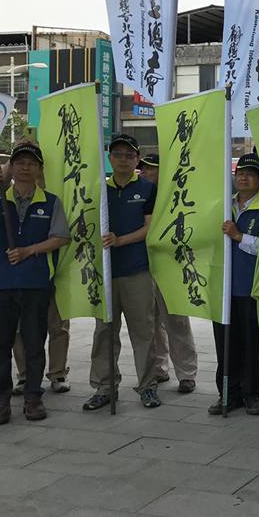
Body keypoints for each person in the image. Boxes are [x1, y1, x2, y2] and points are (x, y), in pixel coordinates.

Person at [0, 142, 69, 425]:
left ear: (39, 169)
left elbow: (61, 237)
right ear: (12, 168)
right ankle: (0, 403)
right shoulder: (0, 200)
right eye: (20, 163)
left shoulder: (50, 202)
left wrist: (30, 251)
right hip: (1, 284)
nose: (25, 168)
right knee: (1, 345)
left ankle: (33, 398)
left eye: (31, 163)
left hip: (35, 283)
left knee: (34, 343)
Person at [84, 134, 161, 411]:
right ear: (110, 158)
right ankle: (105, 387)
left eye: (129, 155)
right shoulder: (98, 189)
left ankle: (148, 386)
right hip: (105, 272)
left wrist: (120, 240)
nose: (123, 160)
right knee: (104, 331)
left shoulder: (147, 189)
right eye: (118, 154)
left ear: (137, 159)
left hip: (137, 270)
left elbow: (149, 228)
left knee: (143, 331)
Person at [211, 153, 259, 416]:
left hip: (251, 287)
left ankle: (252, 394)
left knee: (251, 345)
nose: (243, 177)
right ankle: (227, 393)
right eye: (240, 173)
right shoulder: (225, 205)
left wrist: (239, 236)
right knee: (225, 345)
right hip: (223, 289)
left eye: (250, 174)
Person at [138, 153, 198, 394]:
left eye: (150, 169)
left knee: (176, 320)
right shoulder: (140, 194)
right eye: (143, 168)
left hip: (170, 266)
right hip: (142, 266)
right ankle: (159, 368)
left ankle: (186, 373)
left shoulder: (175, 197)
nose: (145, 172)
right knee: (150, 322)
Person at [11, 298, 70, 395]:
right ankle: (24, 374)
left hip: (53, 289)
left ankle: (58, 373)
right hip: (19, 290)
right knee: (19, 328)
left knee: (58, 326)